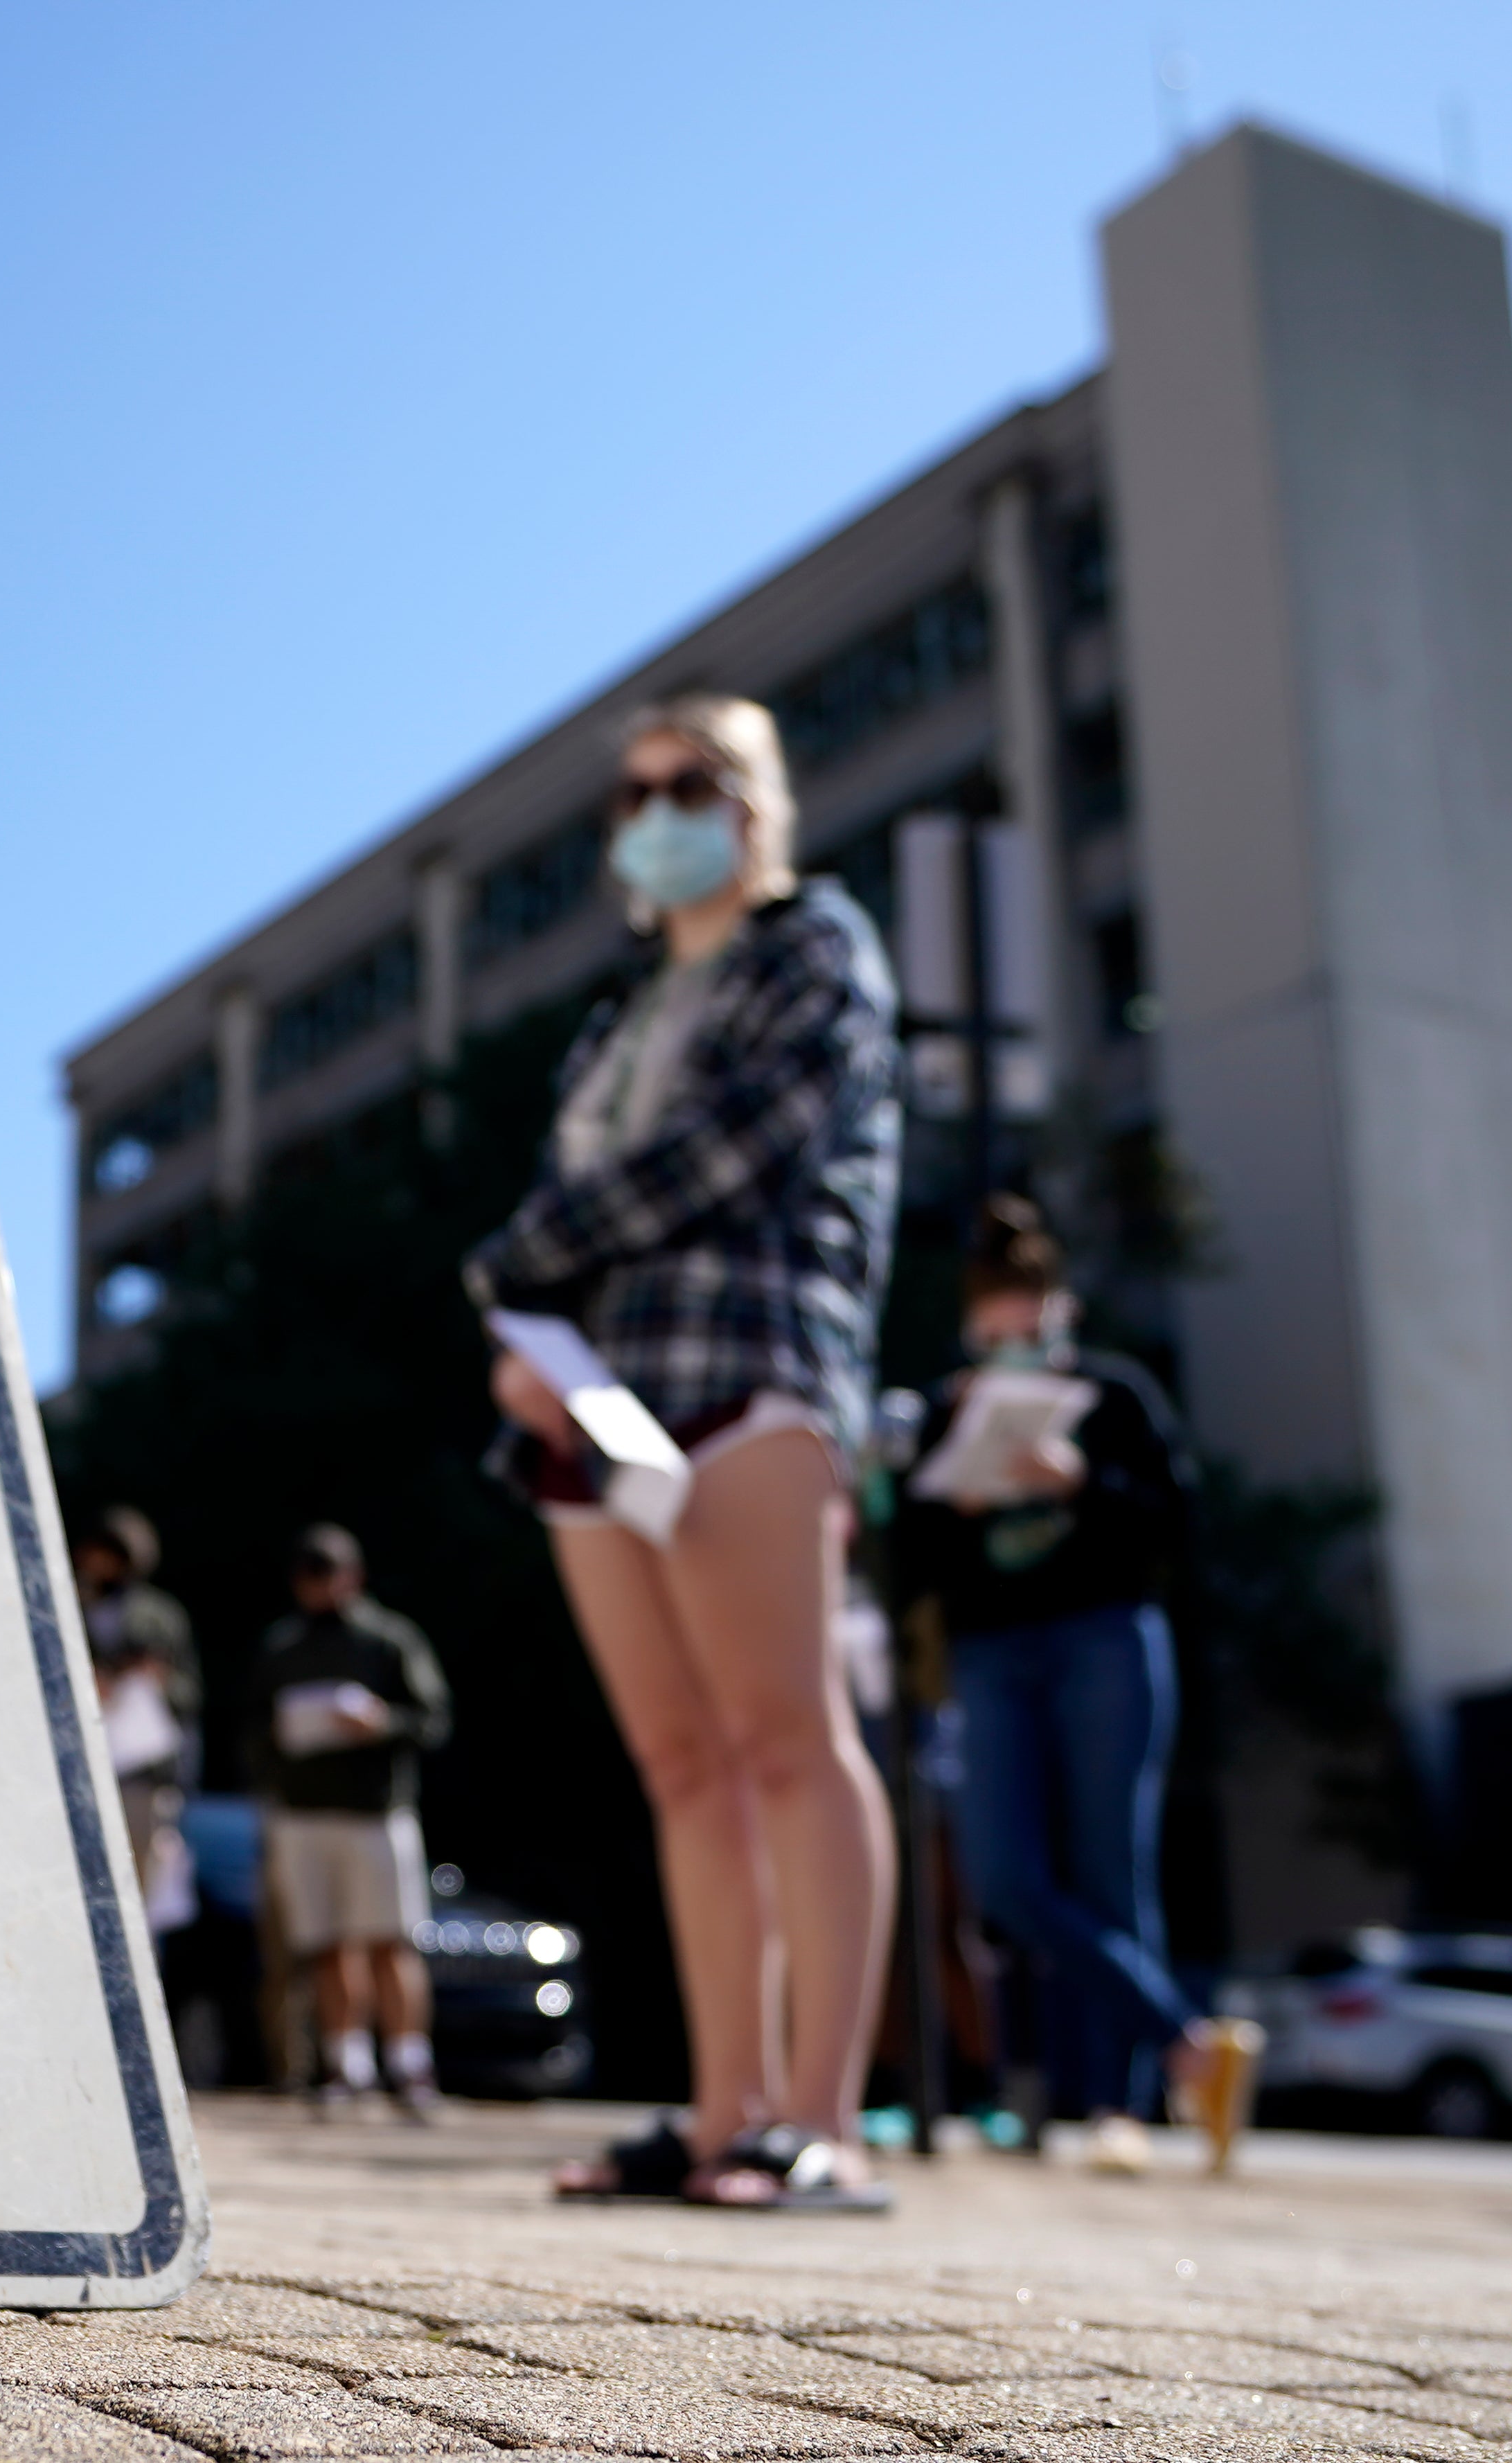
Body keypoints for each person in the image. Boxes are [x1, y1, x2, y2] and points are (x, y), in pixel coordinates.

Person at [468, 692, 903, 2209]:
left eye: (693, 783)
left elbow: (734, 1149)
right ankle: (726, 2114)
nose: (658, 810)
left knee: (788, 1735)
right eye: (636, 790)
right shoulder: (615, 1017)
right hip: (597, 1408)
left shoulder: (816, 949)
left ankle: (823, 2124)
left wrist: (517, 1259)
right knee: (679, 1763)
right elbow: (582, 1220)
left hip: (747, 1372)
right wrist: (524, 1335)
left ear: (758, 801)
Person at [887, 1194, 1259, 2173]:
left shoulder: (1116, 1396)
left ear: (1063, 1318)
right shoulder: (943, 1411)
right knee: (1005, 1878)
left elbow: (1180, 1526)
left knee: (1108, 1875)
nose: (1014, 1352)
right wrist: (951, 1504)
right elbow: (905, 1563)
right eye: (994, 1338)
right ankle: (1191, 2043)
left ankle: (1116, 2109)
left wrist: (1077, 1483)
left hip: (1104, 1638)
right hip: (991, 1653)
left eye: (1032, 1333)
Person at [244, 1524, 453, 2117]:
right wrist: (280, 1739)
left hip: (374, 1814)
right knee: (326, 1944)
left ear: (352, 1576)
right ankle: (345, 2062)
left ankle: (411, 2065)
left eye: (328, 1575)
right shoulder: (282, 1648)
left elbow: (432, 1719)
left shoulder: (388, 1640)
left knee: (391, 1940)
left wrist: (382, 1723)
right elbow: (254, 1730)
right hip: (305, 1814)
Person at [75, 1506, 201, 1936]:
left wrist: (154, 1680)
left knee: (141, 1895)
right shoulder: (61, 1599)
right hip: (78, 1770)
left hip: (143, 1773)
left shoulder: (160, 1615)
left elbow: (190, 1693)